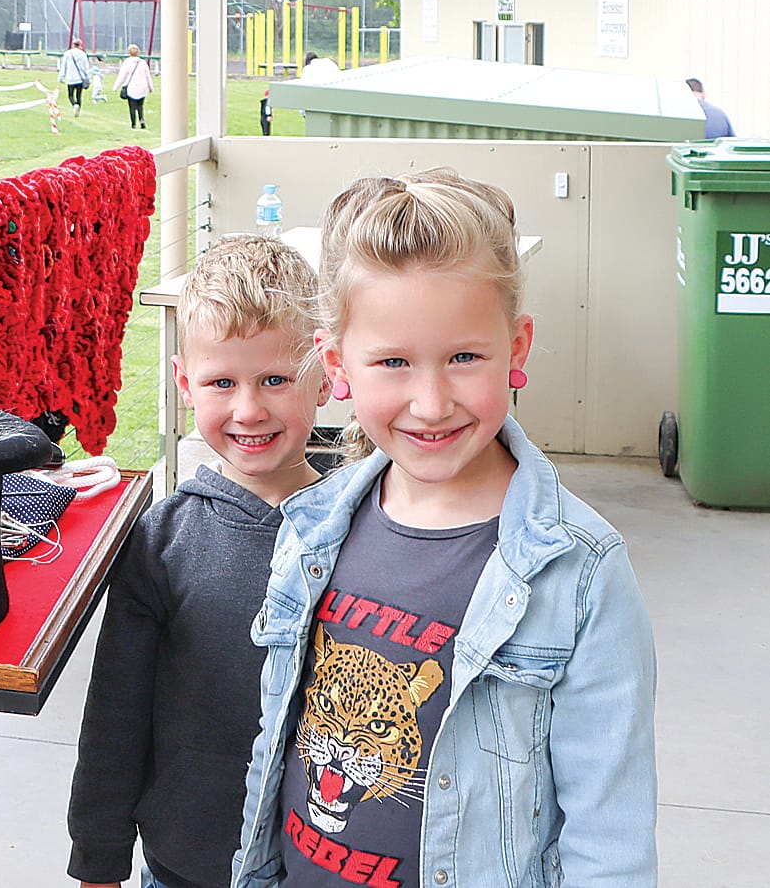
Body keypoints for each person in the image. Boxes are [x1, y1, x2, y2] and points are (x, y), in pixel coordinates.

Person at [232, 170, 657, 887]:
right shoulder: (311, 526)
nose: (429, 404)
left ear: (516, 348)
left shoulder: (580, 573)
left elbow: (607, 831)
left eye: (463, 357)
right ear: (336, 365)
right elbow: (276, 747)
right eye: (392, 363)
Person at [69, 236, 327, 888]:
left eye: (275, 379)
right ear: (184, 384)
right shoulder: (160, 541)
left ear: (325, 371)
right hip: (185, 866)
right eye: (221, 383)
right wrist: (97, 860)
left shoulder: (372, 526)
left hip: (331, 868)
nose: (248, 409)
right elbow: (114, 717)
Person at [114, 52, 152, 130]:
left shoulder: (127, 62)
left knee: (132, 107)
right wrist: (150, 87)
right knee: (140, 106)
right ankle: (141, 119)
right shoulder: (143, 62)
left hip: (131, 87)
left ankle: (133, 124)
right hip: (142, 87)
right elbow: (148, 75)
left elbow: (122, 76)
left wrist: (116, 87)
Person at [59, 38, 92, 112]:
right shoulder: (83, 54)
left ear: (73, 45)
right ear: (80, 45)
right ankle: (78, 109)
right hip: (80, 79)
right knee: (78, 96)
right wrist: (88, 78)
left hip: (70, 78)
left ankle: (74, 104)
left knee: (70, 95)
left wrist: (61, 77)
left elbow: (64, 66)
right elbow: (86, 68)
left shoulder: (68, 54)